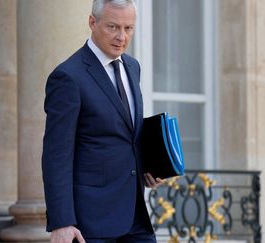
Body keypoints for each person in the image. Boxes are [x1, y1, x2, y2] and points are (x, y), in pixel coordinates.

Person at [42, 0, 164, 242]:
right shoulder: (67, 77)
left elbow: (125, 131)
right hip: (91, 223)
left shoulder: (132, 67)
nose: (121, 36)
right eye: (113, 27)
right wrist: (62, 221)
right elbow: (56, 154)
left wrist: (149, 166)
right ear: (92, 22)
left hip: (135, 215)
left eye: (128, 28)